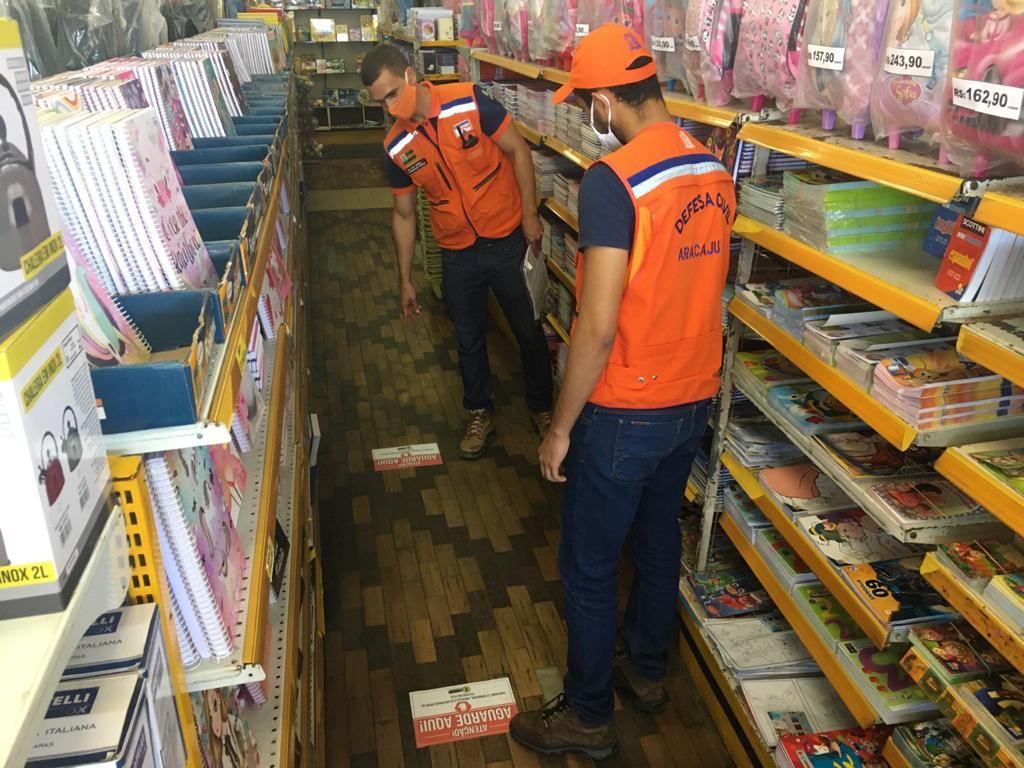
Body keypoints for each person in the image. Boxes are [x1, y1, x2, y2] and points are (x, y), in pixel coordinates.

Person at [509, 24, 736, 759]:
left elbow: (598, 325)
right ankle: (647, 671)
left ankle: (587, 716)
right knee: (659, 540)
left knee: (589, 566)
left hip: (626, 407)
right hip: (691, 397)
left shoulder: (616, 181)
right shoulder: (713, 169)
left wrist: (559, 428)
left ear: (607, 99)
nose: (587, 115)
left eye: (587, 103)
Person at [361, 45, 554, 458]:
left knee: (529, 330)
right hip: (457, 252)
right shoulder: (396, 146)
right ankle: (479, 412)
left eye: (393, 94)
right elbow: (404, 214)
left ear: (410, 76)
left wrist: (529, 216)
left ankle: (543, 410)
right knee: (468, 340)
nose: (390, 108)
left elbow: (518, 150)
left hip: (507, 239)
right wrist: (405, 280)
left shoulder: (467, 101)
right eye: (381, 102)